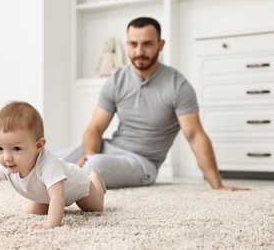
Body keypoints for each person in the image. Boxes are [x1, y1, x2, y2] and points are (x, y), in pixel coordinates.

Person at [56, 17, 249, 191]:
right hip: (106, 150)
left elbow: (195, 135)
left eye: (147, 44)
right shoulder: (116, 81)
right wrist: (89, 153)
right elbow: (95, 128)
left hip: (141, 162)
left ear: (161, 44)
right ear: (127, 45)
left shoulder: (178, 85)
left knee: (94, 167)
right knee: (49, 159)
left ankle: (62, 186)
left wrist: (217, 184)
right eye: (133, 44)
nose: (139, 52)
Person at [0, 101, 106, 229]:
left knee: (96, 209)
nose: (6, 157)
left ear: (38, 146)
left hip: (78, 187)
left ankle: (95, 180)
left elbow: (58, 196)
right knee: (32, 213)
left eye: (16, 149)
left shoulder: (48, 165)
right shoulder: (6, 163)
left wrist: (50, 225)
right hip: (44, 194)